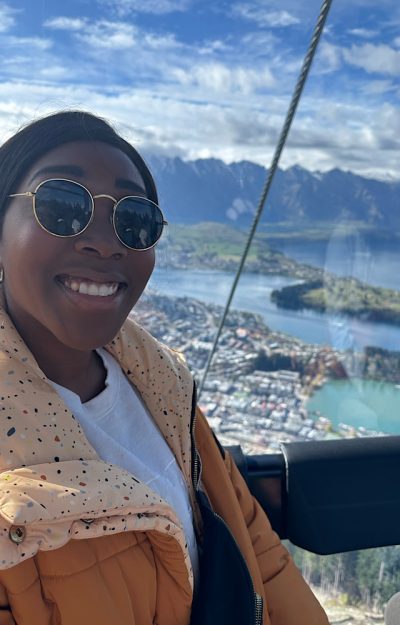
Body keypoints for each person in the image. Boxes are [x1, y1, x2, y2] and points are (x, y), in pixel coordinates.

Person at [0, 111, 328, 625]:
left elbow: (252, 541)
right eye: (62, 206)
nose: (105, 242)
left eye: (135, 220)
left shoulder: (165, 387)